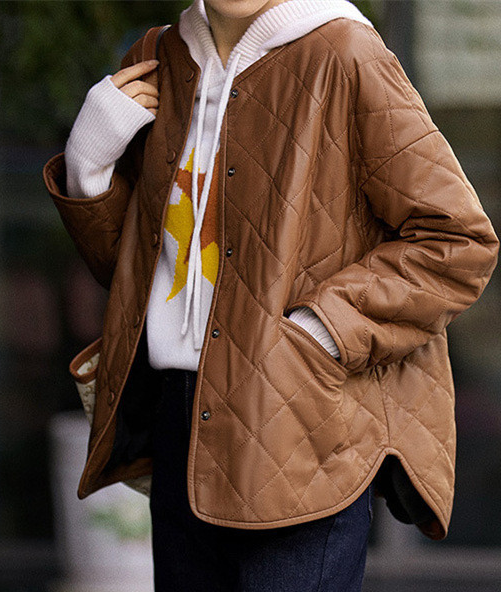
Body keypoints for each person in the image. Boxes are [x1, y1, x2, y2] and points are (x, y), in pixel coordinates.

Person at [43, 0, 499, 590]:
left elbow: (457, 242)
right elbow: (133, 276)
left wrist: (319, 333)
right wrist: (88, 165)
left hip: (298, 422)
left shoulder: (344, 53)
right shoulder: (158, 60)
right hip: (178, 420)